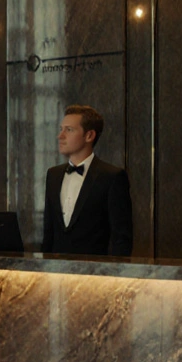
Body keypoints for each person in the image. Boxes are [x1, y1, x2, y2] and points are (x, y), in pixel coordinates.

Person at [41, 104, 133, 257]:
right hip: (54, 269)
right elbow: (48, 232)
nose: (60, 136)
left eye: (69, 130)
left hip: (94, 270)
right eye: (61, 129)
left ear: (89, 136)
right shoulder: (53, 174)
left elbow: (121, 238)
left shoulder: (112, 176)